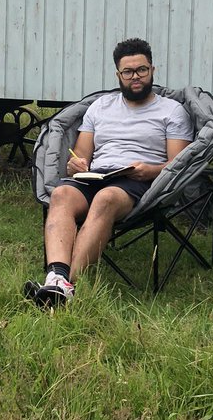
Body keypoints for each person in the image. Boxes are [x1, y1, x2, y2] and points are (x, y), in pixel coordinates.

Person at [24, 38, 194, 307]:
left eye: (142, 70)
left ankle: (68, 288)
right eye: (128, 72)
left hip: (138, 181)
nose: (135, 77)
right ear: (118, 75)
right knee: (61, 194)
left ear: (153, 70)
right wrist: (76, 164)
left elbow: (177, 163)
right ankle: (56, 278)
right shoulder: (100, 107)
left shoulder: (171, 111)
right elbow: (81, 155)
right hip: (96, 176)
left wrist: (151, 170)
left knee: (105, 199)